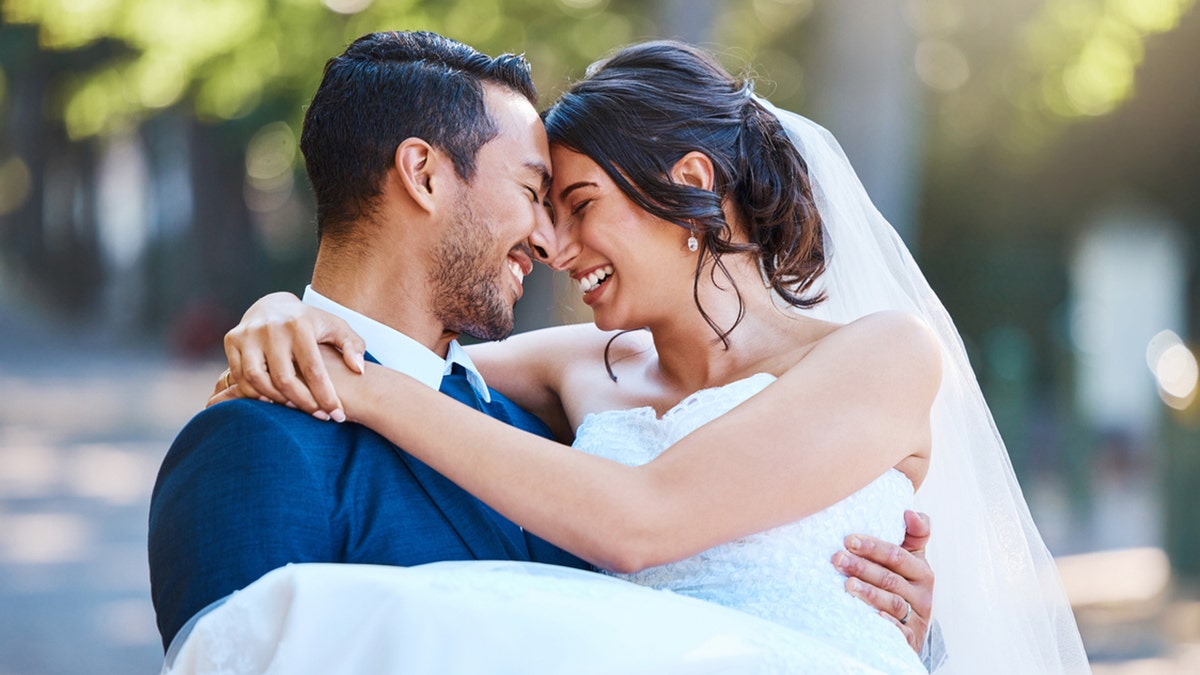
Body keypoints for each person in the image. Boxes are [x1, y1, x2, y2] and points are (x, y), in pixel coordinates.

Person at [202, 40, 1090, 674]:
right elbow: (398, 346)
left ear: (693, 187)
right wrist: (279, 311)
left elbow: (638, 520)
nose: (553, 241)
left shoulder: (882, 354)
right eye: (544, 204)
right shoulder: (579, 365)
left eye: (579, 202)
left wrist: (367, 392)